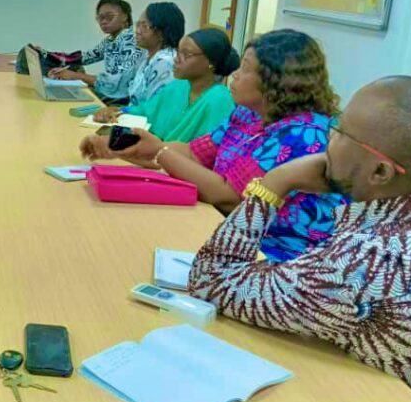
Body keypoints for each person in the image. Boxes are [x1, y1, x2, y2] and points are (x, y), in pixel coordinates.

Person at [190, 76, 411, 402]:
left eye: (340, 132)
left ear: (380, 172)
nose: (326, 140)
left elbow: (210, 278)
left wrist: (274, 183)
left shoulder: (373, 258)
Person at [81, 29, 347, 261]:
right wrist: (119, 146)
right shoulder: (247, 114)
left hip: (276, 256)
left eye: (245, 68)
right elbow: (193, 153)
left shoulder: (304, 134)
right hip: (223, 228)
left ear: (276, 80)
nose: (235, 75)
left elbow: (229, 196)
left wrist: (159, 152)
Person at [90, 27, 238, 143]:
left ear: (211, 62)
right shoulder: (178, 87)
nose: (177, 59)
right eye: (178, 52)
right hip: (159, 157)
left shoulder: (219, 99)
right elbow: (146, 111)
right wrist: (117, 111)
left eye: (186, 54)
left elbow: (209, 152)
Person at [48, 0, 144, 104]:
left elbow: (119, 83)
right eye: (100, 18)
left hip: (127, 100)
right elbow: (84, 57)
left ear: (125, 16)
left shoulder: (131, 40)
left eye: (109, 17)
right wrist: (45, 54)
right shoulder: (110, 41)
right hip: (113, 93)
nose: (104, 21)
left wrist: (75, 76)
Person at [124, 1, 185, 107]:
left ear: (162, 33)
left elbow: (153, 110)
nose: (137, 31)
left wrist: (122, 112)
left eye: (144, 26)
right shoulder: (151, 58)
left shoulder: (165, 64)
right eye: (138, 25)